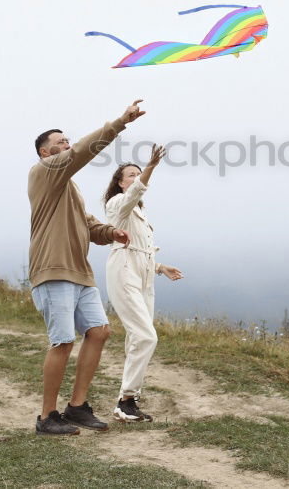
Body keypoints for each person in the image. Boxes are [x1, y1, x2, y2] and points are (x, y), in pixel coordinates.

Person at [28, 99, 145, 436]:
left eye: (68, 140)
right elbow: (81, 152)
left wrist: (111, 233)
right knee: (63, 341)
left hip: (80, 273)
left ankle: (76, 407)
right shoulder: (43, 173)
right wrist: (120, 122)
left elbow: (89, 225)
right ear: (46, 154)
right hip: (54, 269)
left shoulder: (69, 188)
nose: (67, 144)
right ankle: (46, 416)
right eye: (60, 143)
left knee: (99, 332)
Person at [103, 144, 183, 422]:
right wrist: (150, 168)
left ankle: (127, 400)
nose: (136, 178)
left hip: (145, 274)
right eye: (130, 175)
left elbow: (143, 249)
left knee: (137, 337)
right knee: (147, 335)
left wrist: (161, 267)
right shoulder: (117, 205)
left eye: (138, 173)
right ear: (119, 182)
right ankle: (126, 400)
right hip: (124, 271)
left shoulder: (140, 213)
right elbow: (136, 192)